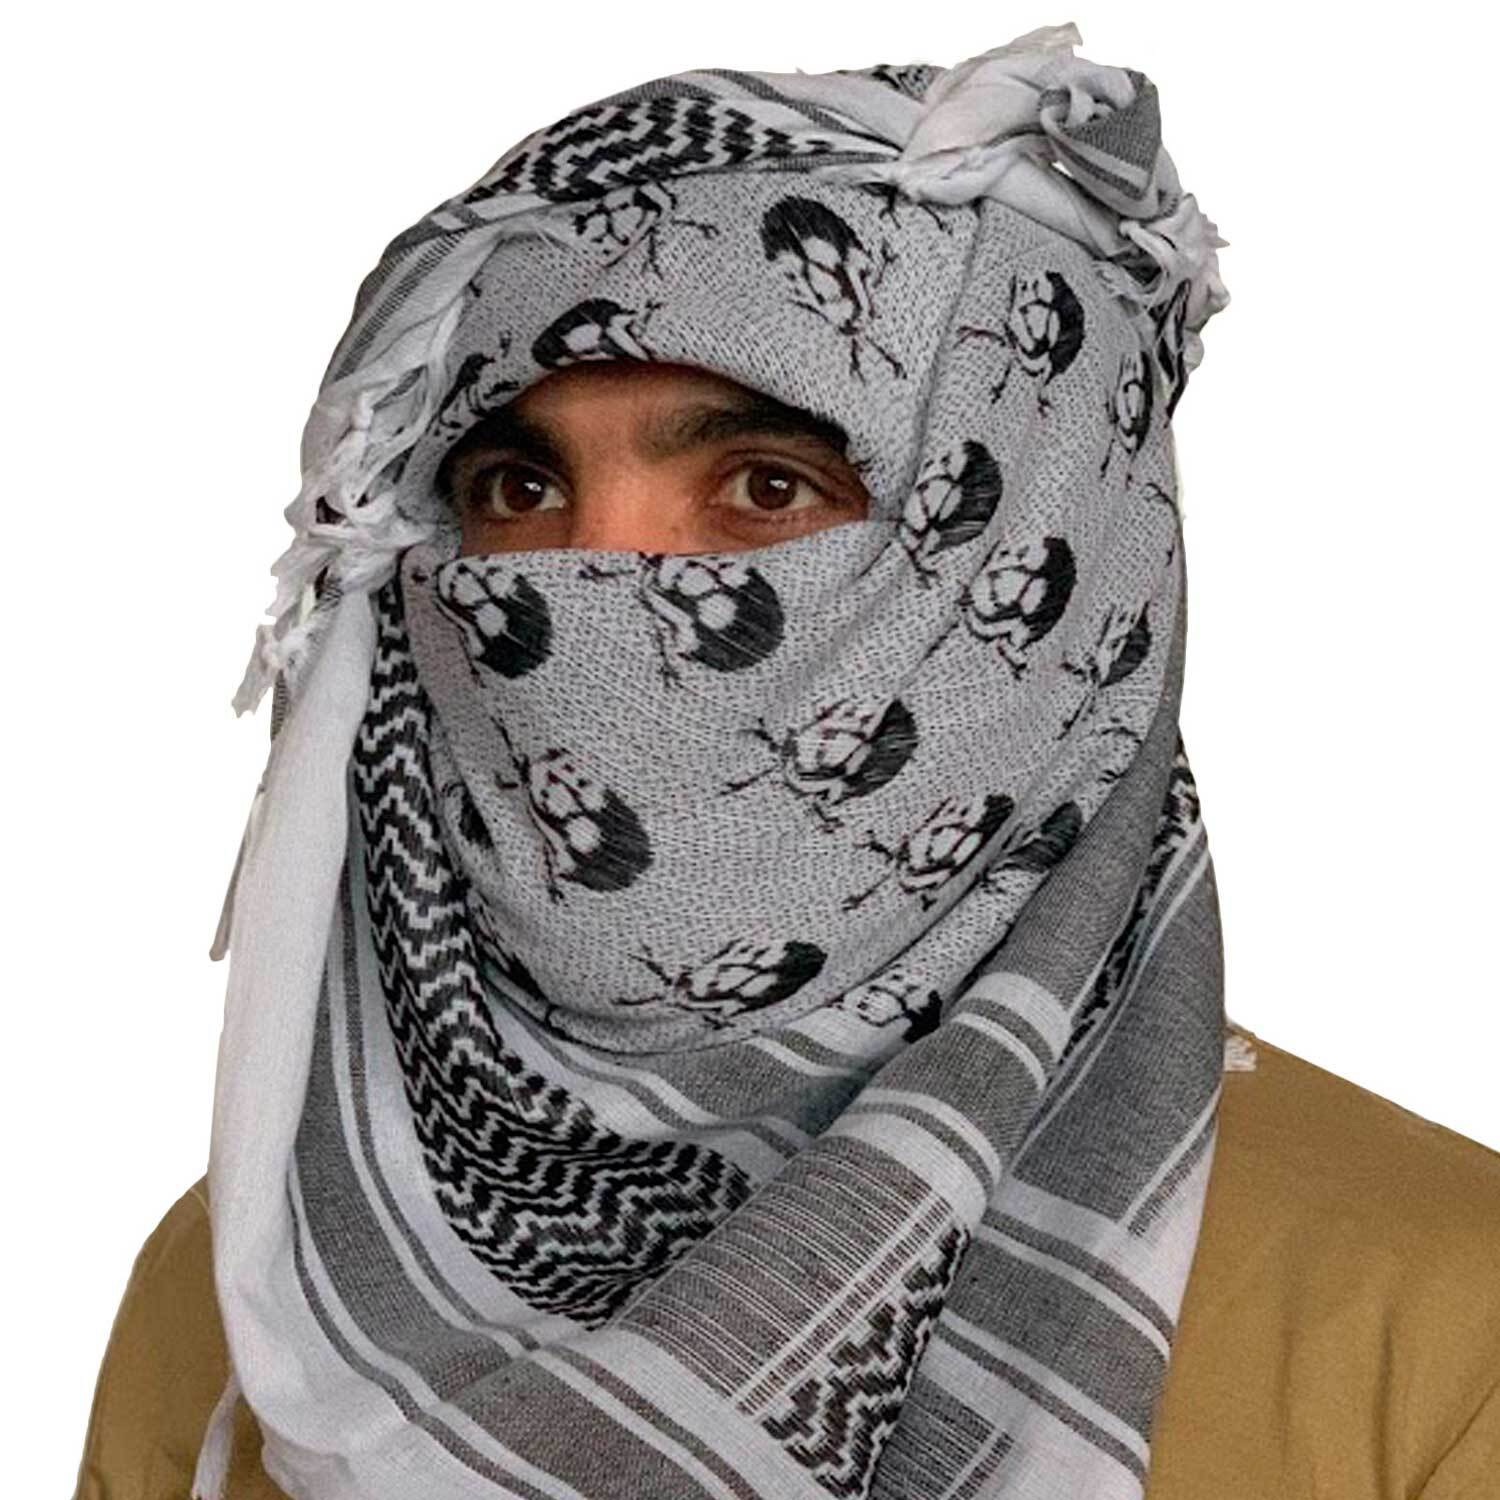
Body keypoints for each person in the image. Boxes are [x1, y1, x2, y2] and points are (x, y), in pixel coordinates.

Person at [74, 23, 1499, 1500]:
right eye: (518, 487)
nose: (592, 601)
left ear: (1048, 563)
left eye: (766, 487)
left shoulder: (1438, 1334)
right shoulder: (250, 1294)